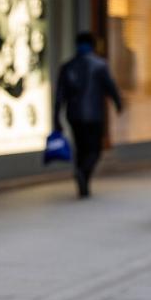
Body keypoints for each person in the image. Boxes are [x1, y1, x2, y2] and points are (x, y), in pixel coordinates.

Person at [54, 31, 122, 197]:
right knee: (95, 149)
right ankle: (83, 172)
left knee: (81, 147)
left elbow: (59, 96)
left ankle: (82, 179)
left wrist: (56, 118)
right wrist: (118, 103)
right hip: (93, 115)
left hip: (74, 115)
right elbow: (110, 87)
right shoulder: (99, 65)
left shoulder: (67, 66)